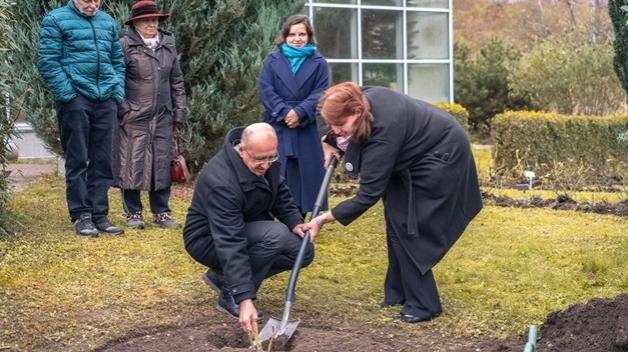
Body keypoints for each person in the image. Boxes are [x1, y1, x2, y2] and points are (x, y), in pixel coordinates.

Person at [308, 82, 483, 323]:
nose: (337, 131)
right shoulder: (356, 97)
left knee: (409, 226)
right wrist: (326, 139)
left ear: (357, 112)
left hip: (441, 155)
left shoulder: (384, 131)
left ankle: (424, 305)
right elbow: (322, 106)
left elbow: (368, 194)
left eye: (340, 126)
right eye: (333, 126)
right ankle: (397, 293)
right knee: (395, 217)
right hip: (413, 154)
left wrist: (325, 218)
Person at [183, 123, 317, 332]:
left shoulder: (264, 156)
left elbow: (278, 190)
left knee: (303, 251)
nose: (266, 165)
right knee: (276, 236)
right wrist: (245, 297)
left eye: (271, 157)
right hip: (209, 240)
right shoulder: (221, 182)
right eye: (260, 159)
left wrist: (294, 221)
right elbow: (230, 241)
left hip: (245, 227)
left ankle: (222, 278)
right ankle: (231, 294)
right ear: (243, 150)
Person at [38, 0, 125, 236]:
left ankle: (100, 215)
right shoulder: (55, 20)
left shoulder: (107, 22)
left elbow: (117, 61)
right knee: (78, 159)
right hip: (76, 99)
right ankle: (82, 215)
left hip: (105, 97)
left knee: (104, 159)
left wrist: (116, 92)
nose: (93, 4)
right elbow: (48, 62)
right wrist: (68, 95)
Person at [115, 0, 187, 229]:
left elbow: (176, 80)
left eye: (154, 19)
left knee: (161, 162)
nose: (151, 24)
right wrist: (125, 109)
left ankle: (161, 213)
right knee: (131, 162)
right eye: (146, 20)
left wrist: (180, 111)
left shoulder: (168, 44)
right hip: (134, 115)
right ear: (135, 23)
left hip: (163, 115)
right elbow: (116, 80)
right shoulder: (124, 45)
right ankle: (133, 212)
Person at [259, 15, 330, 216]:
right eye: (292, 34)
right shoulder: (272, 60)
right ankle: (272, 212)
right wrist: (284, 112)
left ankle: (302, 214)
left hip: (305, 125)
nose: (297, 38)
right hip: (277, 124)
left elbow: (321, 91)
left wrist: (299, 113)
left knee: (305, 173)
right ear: (285, 36)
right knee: (277, 169)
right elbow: (266, 90)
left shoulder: (319, 62)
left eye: (302, 34)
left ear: (309, 36)